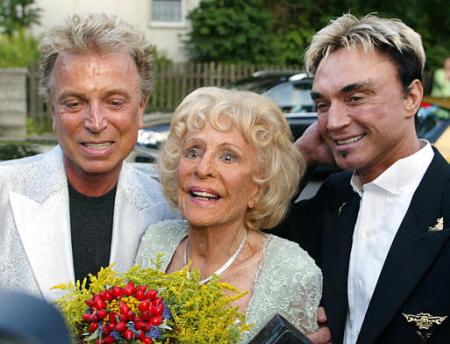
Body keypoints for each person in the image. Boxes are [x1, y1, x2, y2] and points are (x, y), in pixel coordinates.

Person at [276, 14, 450, 343]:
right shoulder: (335, 196)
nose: (333, 122)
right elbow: (248, 239)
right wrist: (302, 156)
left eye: (355, 98)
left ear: (411, 98)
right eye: (323, 104)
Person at [0, 13, 174, 301]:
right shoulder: (4, 193)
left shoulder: (170, 210)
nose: (95, 122)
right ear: (52, 110)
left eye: (114, 102)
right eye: (74, 103)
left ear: (141, 108)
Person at [135, 87, 322, 343]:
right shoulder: (155, 240)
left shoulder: (293, 272)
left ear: (259, 185)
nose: (203, 168)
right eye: (193, 151)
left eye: (227, 157)